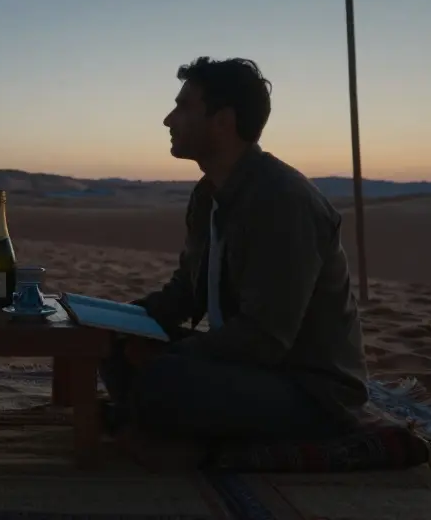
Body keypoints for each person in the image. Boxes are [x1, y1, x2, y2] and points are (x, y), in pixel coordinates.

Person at [101, 57, 368, 449]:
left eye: (183, 107)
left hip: (308, 388)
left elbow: (265, 337)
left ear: (223, 121)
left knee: (163, 379)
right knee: (113, 346)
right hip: (248, 368)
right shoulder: (208, 195)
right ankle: (150, 417)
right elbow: (186, 292)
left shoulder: (281, 201)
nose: (168, 120)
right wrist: (114, 320)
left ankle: (155, 422)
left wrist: (173, 356)